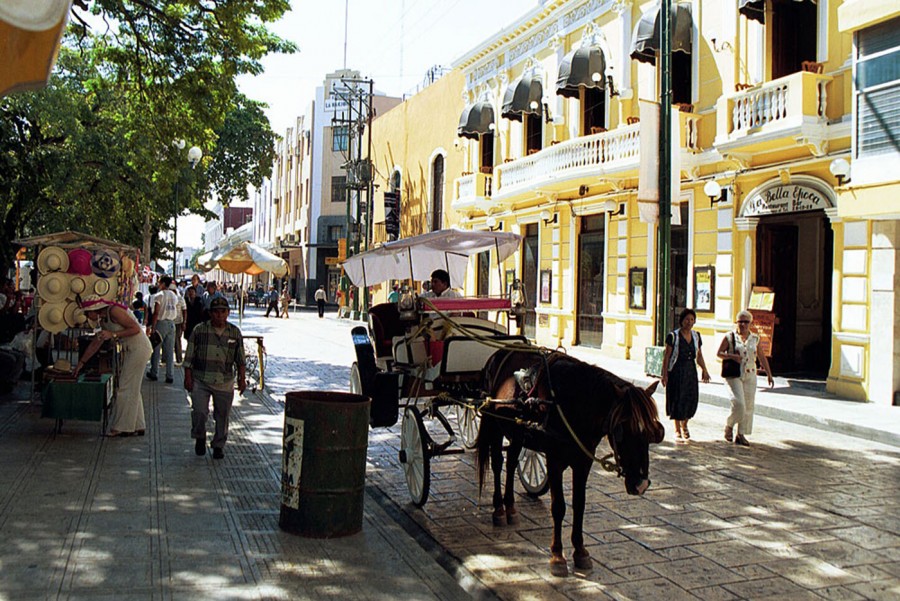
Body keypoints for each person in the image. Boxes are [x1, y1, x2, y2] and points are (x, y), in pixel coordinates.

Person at [75, 295, 153, 437]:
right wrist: (81, 363)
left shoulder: (114, 311)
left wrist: (114, 334)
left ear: (95, 309)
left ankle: (122, 427)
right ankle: (138, 424)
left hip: (139, 348)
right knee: (132, 387)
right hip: (131, 349)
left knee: (125, 386)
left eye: (87, 313)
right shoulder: (103, 319)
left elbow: (135, 329)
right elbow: (96, 343)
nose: (87, 316)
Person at [183, 296, 246, 459]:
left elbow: (240, 359)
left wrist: (242, 379)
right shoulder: (199, 330)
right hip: (201, 378)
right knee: (199, 412)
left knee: (222, 415)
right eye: (216, 312)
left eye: (222, 312)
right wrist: (187, 377)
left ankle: (219, 445)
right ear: (210, 313)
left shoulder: (234, 332)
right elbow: (189, 356)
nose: (219, 315)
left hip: (224, 381)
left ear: (228, 313)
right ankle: (199, 437)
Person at [717, 310, 774, 447]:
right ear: (736, 322)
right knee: (739, 403)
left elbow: (761, 356)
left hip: (750, 373)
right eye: (740, 321)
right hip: (734, 374)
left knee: (748, 405)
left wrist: (769, 374)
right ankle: (729, 424)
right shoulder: (729, 337)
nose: (742, 324)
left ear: (750, 323)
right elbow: (719, 353)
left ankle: (741, 434)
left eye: (746, 322)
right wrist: (732, 356)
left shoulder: (755, 338)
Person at [661, 308, 711, 443]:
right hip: (677, 370)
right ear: (681, 321)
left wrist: (704, 370)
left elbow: (699, 355)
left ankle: (685, 424)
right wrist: (664, 374)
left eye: (692, 319)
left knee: (691, 398)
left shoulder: (696, 336)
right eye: (687, 319)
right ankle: (677, 429)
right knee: (677, 398)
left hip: (690, 371)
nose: (689, 322)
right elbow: (667, 356)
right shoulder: (673, 336)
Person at [147, 275, 178, 383]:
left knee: (156, 349)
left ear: (163, 283)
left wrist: (153, 327)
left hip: (161, 323)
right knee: (169, 351)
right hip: (171, 323)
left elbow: (156, 313)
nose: (158, 284)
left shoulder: (159, 296)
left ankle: (154, 372)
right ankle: (170, 375)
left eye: (159, 282)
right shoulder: (174, 296)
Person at [170, 282, 187, 363]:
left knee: (177, 341)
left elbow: (184, 311)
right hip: (169, 321)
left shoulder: (180, 299)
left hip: (178, 323)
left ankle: (179, 359)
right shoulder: (167, 299)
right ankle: (166, 359)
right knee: (168, 342)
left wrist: (184, 322)